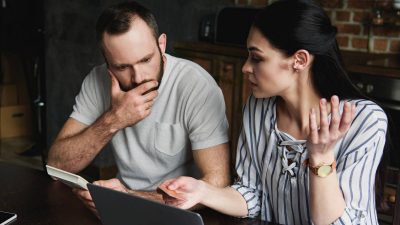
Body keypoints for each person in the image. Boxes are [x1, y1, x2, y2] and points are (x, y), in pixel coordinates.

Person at [160, 1, 388, 225]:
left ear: (299, 60)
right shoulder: (258, 108)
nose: (246, 67)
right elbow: (251, 194)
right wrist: (203, 191)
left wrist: (321, 157)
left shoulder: (365, 121)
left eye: (257, 58)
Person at [46, 1, 230, 215]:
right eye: (122, 67)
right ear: (107, 62)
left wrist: (131, 198)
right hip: (122, 207)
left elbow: (218, 184)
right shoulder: (97, 81)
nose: (139, 77)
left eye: (146, 59)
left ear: (161, 44)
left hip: (184, 213)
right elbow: (57, 167)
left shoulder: (196, 85)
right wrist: (113, 120)